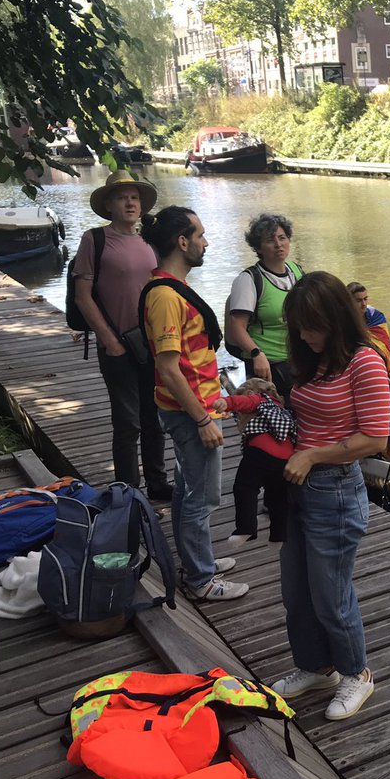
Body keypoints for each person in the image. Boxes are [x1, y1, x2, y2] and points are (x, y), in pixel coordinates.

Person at [271, 271, 389, 722]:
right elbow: (309, 413)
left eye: (312, 326)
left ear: (336, 319)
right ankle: (317, 667)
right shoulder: (314, 358)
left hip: (335, 491)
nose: (304, 335)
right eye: (299, 326)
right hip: (299, 487)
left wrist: (314, 455)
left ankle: (356, 673)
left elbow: (375, 438)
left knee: (330, 593)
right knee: (295, 590)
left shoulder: (365, 361)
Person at [140, 206, 247, 601]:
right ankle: (201, 579)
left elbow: (188, 356)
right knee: (201, 497)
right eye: (199, 235)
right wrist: (203, 419)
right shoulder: (166, 296)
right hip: (189, 412)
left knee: (187, 489)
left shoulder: (172, 287)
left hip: (196, 406)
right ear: (182, 242)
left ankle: (197, 558)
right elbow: (168, 368)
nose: (206, 242)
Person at [70, 170, 170, 501]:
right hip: (117, 345)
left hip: (153, 344)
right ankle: (129, 493)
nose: (129, 202)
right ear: (109, 205)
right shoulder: (95, 239)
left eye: (134, 197)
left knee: (154, 418)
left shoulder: (151, 241)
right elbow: (83, 295)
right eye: (121, 197)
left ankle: (157, 483)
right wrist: (109, 341)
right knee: (128, 424)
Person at [225, 213, 302, 402]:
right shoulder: (249, 280)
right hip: (267, 364)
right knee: (278, 419)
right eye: (270, 240)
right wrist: (256, 354)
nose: (278, 244)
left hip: (297, 359)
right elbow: (237, 327)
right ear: (258, 247)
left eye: (282, 238)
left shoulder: (296, 271)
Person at [213, 377, 293, 548]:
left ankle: (245, 528)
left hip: (260, 451)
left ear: (250, 392)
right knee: (277, 497)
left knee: (245, 488)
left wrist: (225, 402)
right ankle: (279, 536)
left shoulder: (258, 399)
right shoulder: (280, 407)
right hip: (285, 458)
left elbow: (244, 402)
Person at [347, 281, 390, 373]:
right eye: (358, 301)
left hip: (375, 362)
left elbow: (382, 346)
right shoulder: (340, 319)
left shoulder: (376, 316)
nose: (364, 304)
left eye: (365, 299)